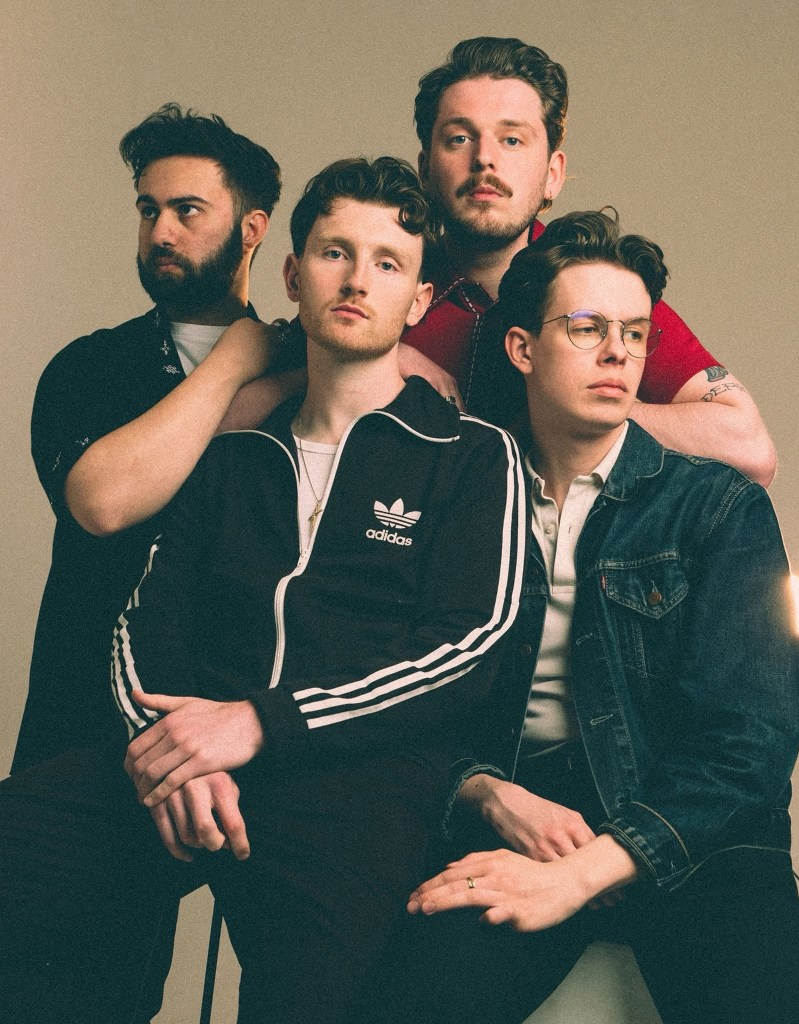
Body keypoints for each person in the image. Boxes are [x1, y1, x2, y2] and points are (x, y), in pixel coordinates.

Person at [0, 156, 526, 1024]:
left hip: (353, 788)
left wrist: (259, 723)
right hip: (189, 761)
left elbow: (466, 648)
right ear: (290, 274)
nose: (356, 280)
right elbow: (144, 618)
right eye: (333, 253)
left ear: (418, 300)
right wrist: (169, 752)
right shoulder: (235, 450)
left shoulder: (471, 454)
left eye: (387, 263)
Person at [350, 211, 799, 1024]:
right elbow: (401, 699)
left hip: (694, 832)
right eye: (587, 328)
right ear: (521, 348)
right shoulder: (460, 501)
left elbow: (748, 745)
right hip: (520, 816)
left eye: (633, 334)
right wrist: (482, 794)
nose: (618, 354)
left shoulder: (715, 507)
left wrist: (583, 872)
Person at [13, 103, 295, 775]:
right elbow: (101, 503)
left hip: (243, 740)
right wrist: (236, 358)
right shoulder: (88, 367)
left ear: (252, 228)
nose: (160, 232)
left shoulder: (303, 377)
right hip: (85, 736)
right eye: (148, 211)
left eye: (187, 211)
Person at [399, 37, 777, 485]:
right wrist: (385, 358)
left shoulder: (602, 285)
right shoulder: (381, 277)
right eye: (459, 138)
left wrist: (588, 407)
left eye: (512, 139)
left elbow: (751, 450)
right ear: (425, 169)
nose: (484, 159)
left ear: (552, 175)